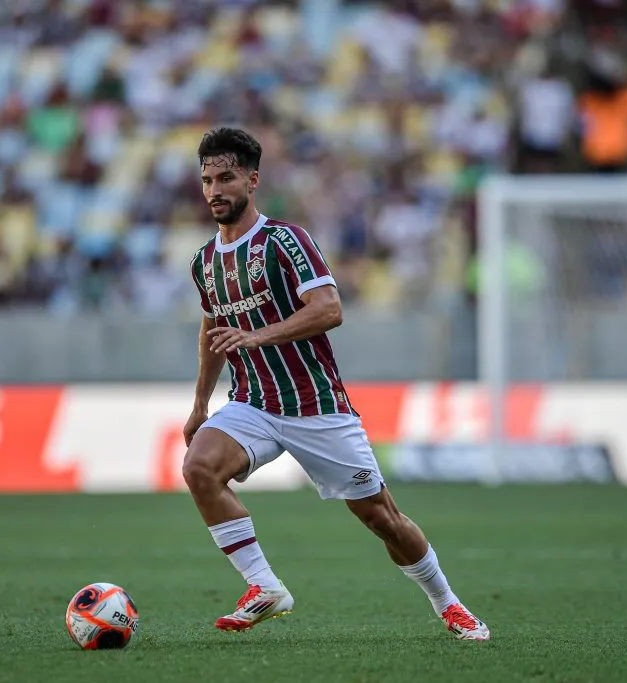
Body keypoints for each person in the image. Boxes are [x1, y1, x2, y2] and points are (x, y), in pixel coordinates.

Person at [182, 127, 490, 640]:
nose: (215, 190)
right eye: (208, 179)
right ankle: (264, 585)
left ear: (252, 180)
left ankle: (449, 603)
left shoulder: (285, 240)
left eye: (227, 178)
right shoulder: (204, 262)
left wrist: (258, 337)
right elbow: (214, 329)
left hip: (316, 406)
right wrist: (199, 404)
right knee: (199, 469)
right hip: (252, 403)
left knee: (383, 519)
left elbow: (329, 309)